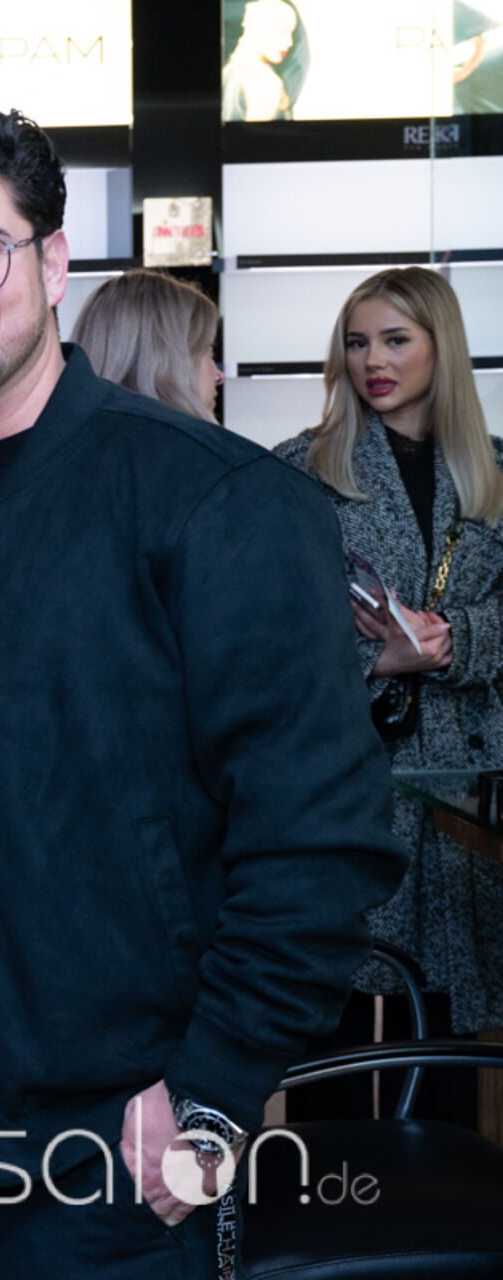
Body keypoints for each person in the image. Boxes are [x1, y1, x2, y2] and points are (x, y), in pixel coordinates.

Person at [0, 99, 406, 1278]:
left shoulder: (215, 500)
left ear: (52, 263)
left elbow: (321, 839)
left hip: (114, 1162)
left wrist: (210, 1094)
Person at [273, 268, 503, 1116]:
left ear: (442, 347)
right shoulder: (298, 470)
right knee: (328, 1007)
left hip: (461, 785)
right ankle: (326, 1186)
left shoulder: (493, 472)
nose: (373, 360)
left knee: (444, 1016)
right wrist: (377, 660)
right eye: (357, 342)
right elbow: (266, 631)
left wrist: (455, 640)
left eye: (396, 340)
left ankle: (438, 1185)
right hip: (346, 771)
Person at [69, 268, 224, 422]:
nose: (219, 376)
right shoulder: (186, 437)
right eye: (208, 352)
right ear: (167, 363)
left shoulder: (68, 430)